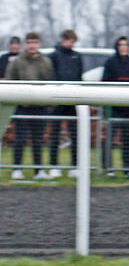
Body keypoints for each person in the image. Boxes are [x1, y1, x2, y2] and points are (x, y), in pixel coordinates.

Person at [5, 32, 55, 179]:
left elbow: (51, 82)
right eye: (29, 42)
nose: (32, 45)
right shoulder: (17, 62)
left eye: (35, 42)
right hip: (22, 107)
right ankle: (17, 169)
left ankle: (38, 170)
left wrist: (48, 104)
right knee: (20, 139)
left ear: (39, 44)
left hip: (40, 107)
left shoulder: (46, 62)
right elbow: (10, 80)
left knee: (38, 140)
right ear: (25, 44)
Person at [101, 36, 129, 178]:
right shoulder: (110, 62)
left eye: (126, 44)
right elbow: (105, 82)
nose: (123, 47)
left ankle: (127, 169)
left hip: (128, 108)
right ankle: (108, 168)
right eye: (121, 45)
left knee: (127, 140)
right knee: (110, 140)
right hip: (114, 108)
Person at [47, 29, 83, 178]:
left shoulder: (77, 56)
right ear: (63, 39)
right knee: (54, 134)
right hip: (57, 100)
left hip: (73, 100)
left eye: (73, 42)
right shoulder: (54, 56)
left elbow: (79, 76)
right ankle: (54, 166)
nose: (71, 44)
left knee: (75, 135)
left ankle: (75, 166)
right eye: (70, 41)